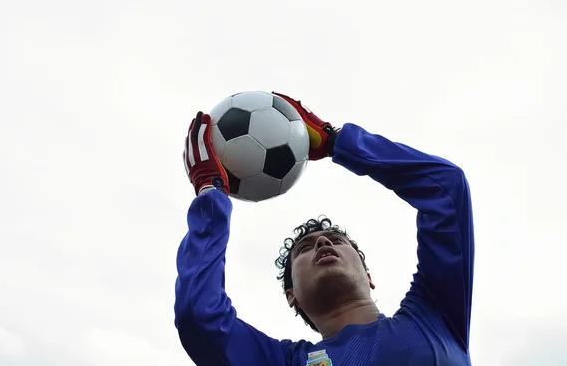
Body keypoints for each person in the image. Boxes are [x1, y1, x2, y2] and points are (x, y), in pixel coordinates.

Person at [175, 92, 474, 365]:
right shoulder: (286, 362)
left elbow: (446, 189)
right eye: (304, 248)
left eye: (336, 240)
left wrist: (337, 142)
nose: (322, 245)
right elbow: (199, 317)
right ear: (291, 295)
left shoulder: (434, 316)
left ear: (369, 277)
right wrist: (210, 197)